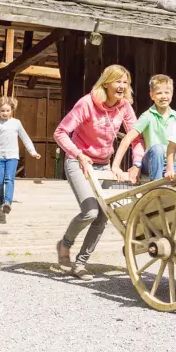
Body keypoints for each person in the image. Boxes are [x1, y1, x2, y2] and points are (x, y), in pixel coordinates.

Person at [53, 65, 144, 279]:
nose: (122, 86)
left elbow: (137, 137)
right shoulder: (87, 103)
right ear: (106, 83)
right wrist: (78, 154)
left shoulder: (124, 106)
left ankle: (80, 264)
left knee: (103, 217)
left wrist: (136, 163)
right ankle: (65, 243)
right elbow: (60, 132)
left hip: (103, 165)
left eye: (125, 82)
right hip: (79, 162)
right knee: (90, 212)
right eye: (118, 81)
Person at [111, 74, 176, 183]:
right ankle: (156, 188)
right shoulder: (147, 116)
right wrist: (116, 165)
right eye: (159, 93)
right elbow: (128, 139)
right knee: (158, 149)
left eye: (167, 92)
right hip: (152, 160)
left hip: (170, 163)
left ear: (172, 94)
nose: (163, 96)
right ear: (152, 95)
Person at [0, 94, 41, 214]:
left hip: (12, 157)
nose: (5, 113)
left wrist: (33, 152)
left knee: (9, 179)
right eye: (2, 111)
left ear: (12, 109)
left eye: (8, 110)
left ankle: (7, 202)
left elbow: (25, 138)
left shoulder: (16, 123)